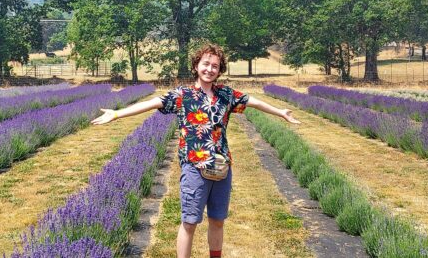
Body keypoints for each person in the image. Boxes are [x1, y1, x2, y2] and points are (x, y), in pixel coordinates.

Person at [91, 44, 300, 258]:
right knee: (189, 222)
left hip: (221, 168)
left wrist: (281, 112)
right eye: (206, 64)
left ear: (220, 70)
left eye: (215, 66)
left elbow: (252, 101)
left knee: (217, 220)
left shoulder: (225, 95)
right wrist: (117, 114)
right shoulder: (184, 95)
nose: (210, 69)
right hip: (194, 168)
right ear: (196, 66)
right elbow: (153, 103)